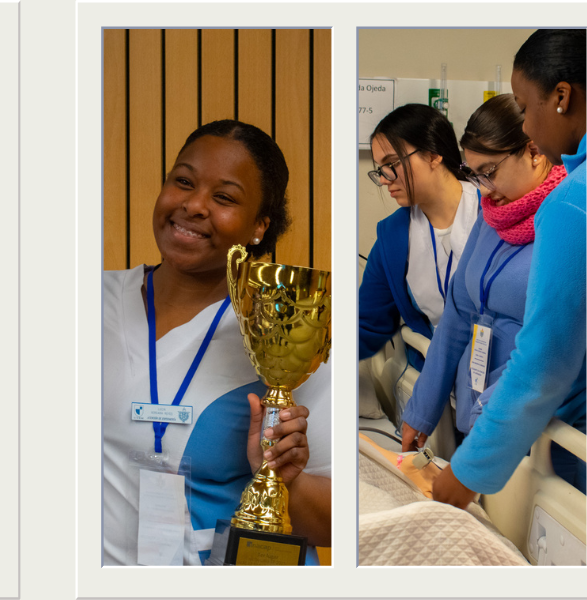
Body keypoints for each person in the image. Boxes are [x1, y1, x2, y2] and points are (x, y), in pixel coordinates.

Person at [101, 120, 331, 566]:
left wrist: (280, 477)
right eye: (183, 181)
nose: (193, 205)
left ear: (259, 226)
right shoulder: (89, 303)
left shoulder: (287, 333)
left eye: (223, 197)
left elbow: (331, 523)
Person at [419, 29, 587, 508]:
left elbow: (545, 364)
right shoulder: (491, 221)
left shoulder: (572, 203)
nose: (528, 125)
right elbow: (458, 312)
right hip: (496, 416)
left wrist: (469, 470)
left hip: (550, 429)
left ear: (561, 97)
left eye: (524, 104)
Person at [359, 104, 480, 370]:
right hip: (437, 376)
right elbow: (366, 324)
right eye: (381, 169)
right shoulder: (392, 239)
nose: (384, 179)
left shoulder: (495, 211)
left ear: (433, 154)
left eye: (391, 164)